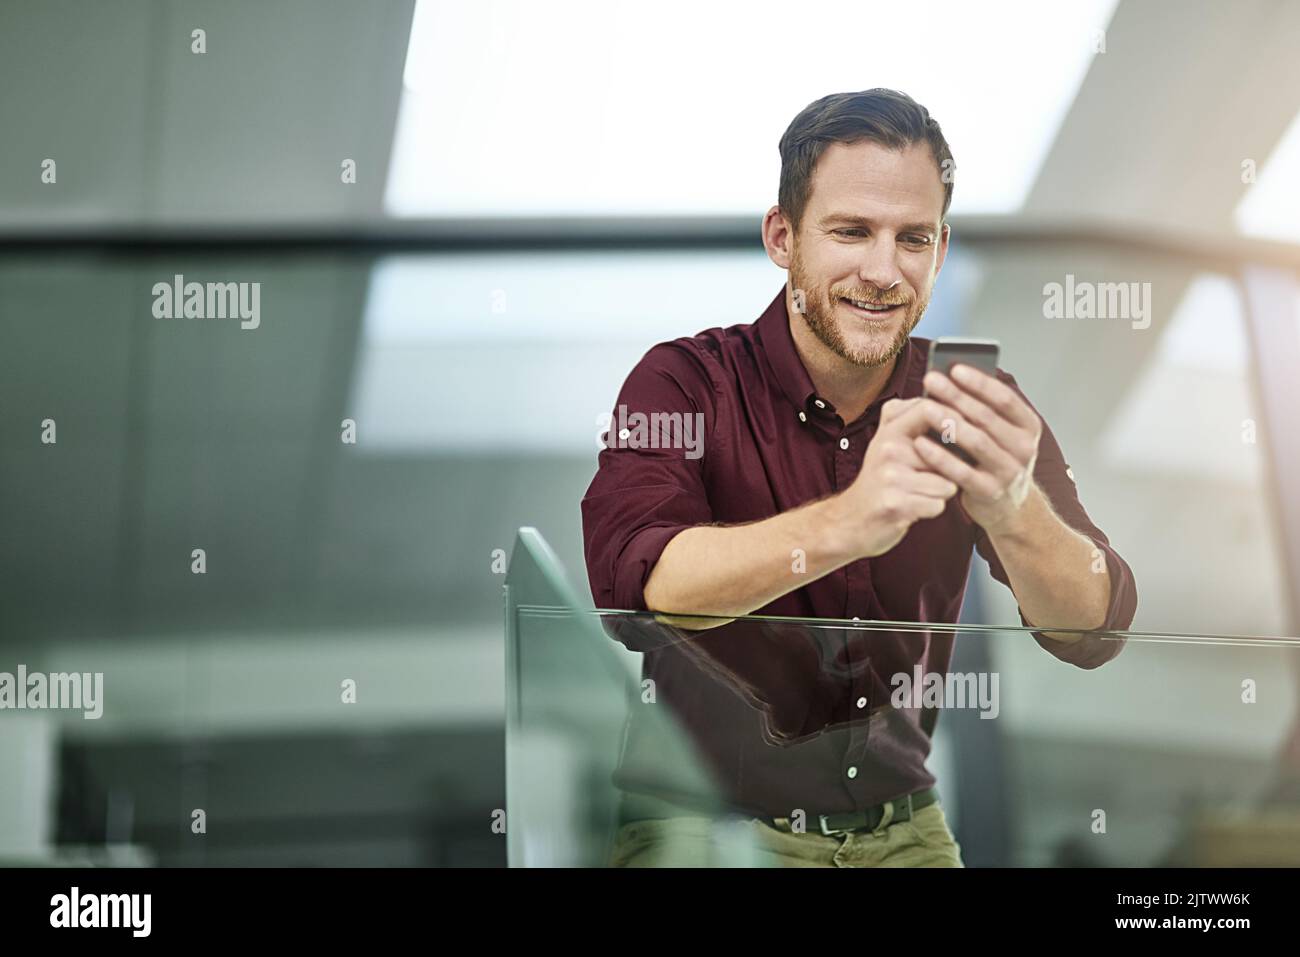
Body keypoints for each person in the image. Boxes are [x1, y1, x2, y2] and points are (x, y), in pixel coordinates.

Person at [581, 89, 1137, 867]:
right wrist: (852, 520)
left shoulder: (976, 404)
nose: (883, 270)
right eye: (851, 231)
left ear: (939, 251)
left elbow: (1095, 624)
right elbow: (635, 583)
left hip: (903, 827)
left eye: (912, 238)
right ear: (783, 235)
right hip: (704, 827)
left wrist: (1015, 511)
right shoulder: (683, 383)